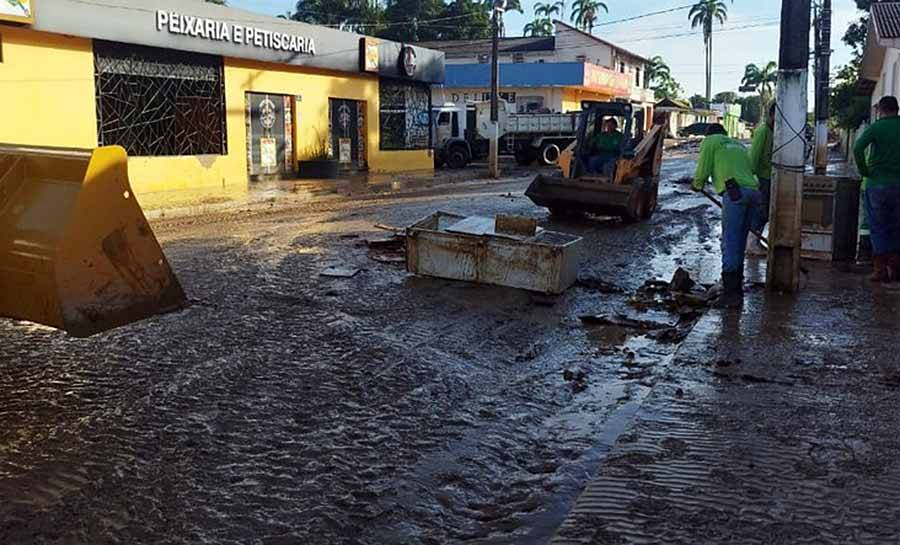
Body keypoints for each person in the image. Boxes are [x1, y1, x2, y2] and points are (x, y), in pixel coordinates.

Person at [692, 124, 762, 308]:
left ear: (708, 134)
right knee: (739, 242)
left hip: (735, 192)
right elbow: (752, 168)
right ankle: (735, 293)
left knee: (730, 242)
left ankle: (731, 295)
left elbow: (703, 168)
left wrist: (697, 184)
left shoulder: (710, 141)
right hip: (753, 193)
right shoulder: (737, 144)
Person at [853, 95, 900, 283]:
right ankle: (895, 270)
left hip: (877, 184)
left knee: (878, 227)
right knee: (897, 226)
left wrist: (865, 171)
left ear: (880, 110)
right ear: (897, 109)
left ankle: (880, 271)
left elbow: (857, 148)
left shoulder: (876, 127)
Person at [747, 102, 776, 256]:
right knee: (760, 212)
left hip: (770, 178)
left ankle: (755, 241)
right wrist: (754, 178)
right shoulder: (763, 131)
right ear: (771, 115)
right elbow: (754, 157)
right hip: (762, 178)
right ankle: (751, 243)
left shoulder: (773, 131)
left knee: (765, 212)